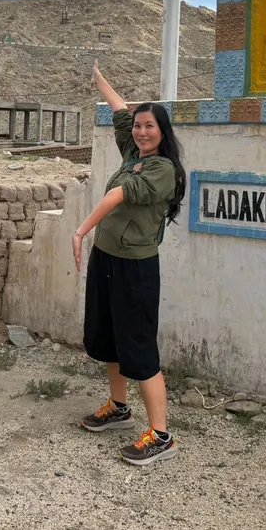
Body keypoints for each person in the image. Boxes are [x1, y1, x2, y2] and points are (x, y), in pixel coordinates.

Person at [71, 61, 186, 466]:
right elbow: (120, 110)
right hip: (108, 258)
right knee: (108, 337)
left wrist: (81, 231)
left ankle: (161, 435)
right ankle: (118, 408)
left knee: (138, 345)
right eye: (138, 126)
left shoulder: (162, 169)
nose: (140, 131)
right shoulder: (132, 151)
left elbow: (119, 195)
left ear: (163, 131)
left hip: (135, 267)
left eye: (149, 126)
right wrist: (99, 78)